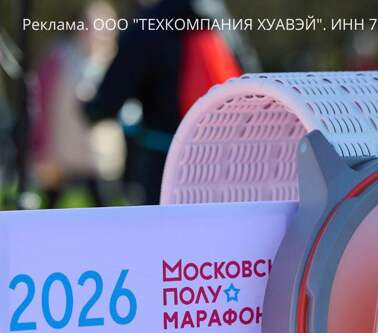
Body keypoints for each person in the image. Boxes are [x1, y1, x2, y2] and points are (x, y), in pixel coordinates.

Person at [84, 0, 259, 205]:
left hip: (163, 168)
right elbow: (251, 79)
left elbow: (106, 103)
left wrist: (87, 106)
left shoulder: (147, 26)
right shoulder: (220, 20)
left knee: (161, 226)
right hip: (226, 164)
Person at [30, 2, 120, 209]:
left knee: (105, 208)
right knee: (50, 209)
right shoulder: (59, 57)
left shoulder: (115, 61)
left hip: (98, 155)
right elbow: (41, 101)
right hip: (59, 150)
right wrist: (40, 144)